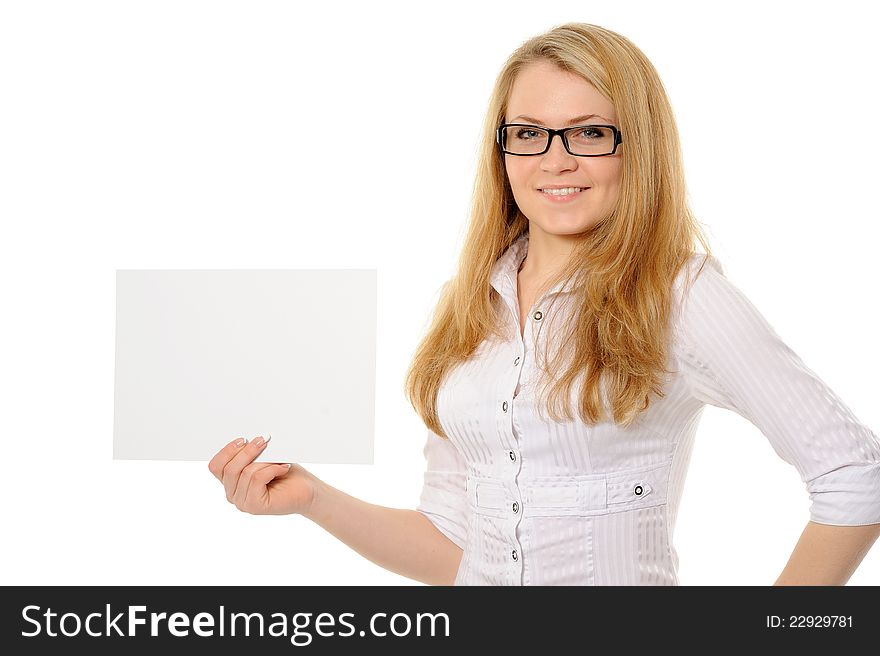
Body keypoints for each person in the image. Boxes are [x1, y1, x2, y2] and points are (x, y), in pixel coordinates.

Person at [208, 22, 880, 585]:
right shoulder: (467, 304)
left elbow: (855, 473)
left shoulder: (679, 294)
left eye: (588, 133)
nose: (554, 160)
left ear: (635, 148)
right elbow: (453, 546)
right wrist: (311, 499)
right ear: (501, 150)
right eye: (527, 133)